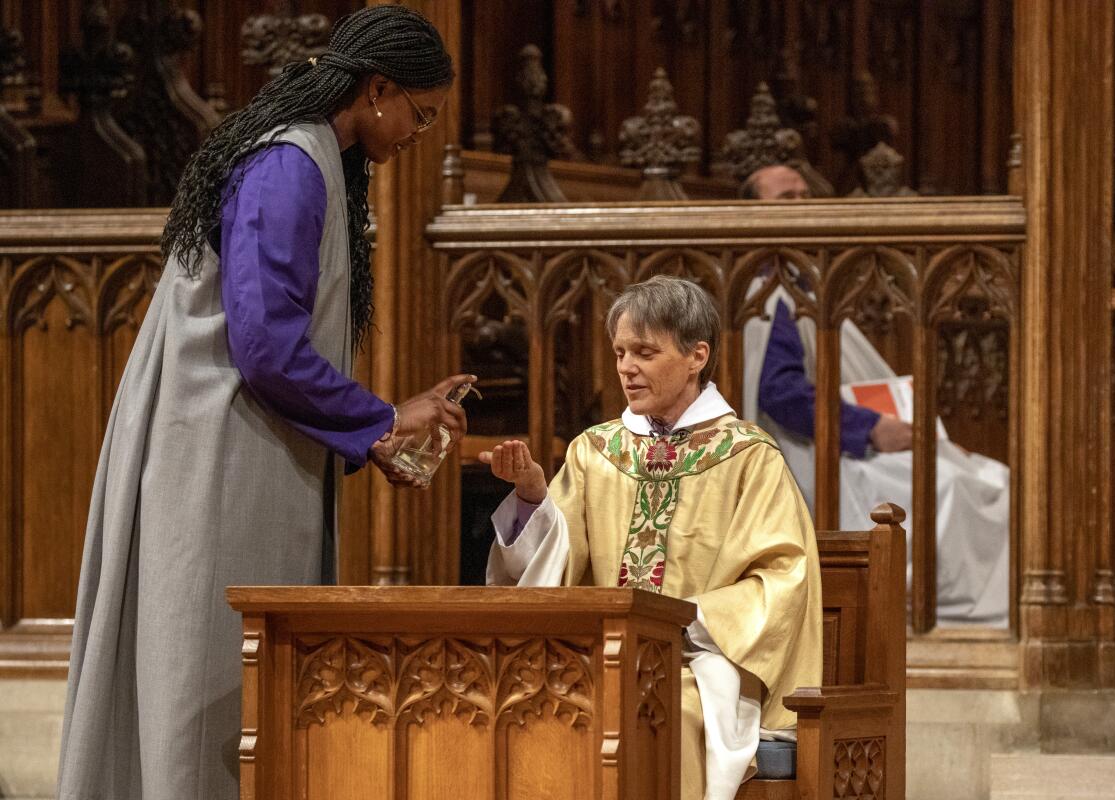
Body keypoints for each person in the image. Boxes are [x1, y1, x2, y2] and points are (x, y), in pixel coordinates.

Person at [58, 7, 468, 800]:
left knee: (239, 687)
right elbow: (266, 345)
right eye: (420, 114)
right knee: (204, 680)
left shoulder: (318, 159)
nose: (420, 133)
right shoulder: (288, 166)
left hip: (244, 449)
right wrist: (380, 419)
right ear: (377, 89)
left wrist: (375, 436)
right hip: (215, 459)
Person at [481, 276, 822, 800]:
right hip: (599, 656)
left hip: (702, 666)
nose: (626, 368)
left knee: (661, 710)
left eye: (644, 351)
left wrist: (675, 625)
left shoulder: (749, 457)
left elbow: (782, 579)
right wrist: (531, 498)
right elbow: (554, 568)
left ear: (696, 356)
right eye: (619, 352)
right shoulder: (595, 451)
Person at [740, 164, 1010, 626]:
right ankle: (945, 613)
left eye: (807, 196)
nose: (802, 208)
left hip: (844, 436)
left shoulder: (808, 284)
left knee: (992, 477)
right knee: (954, 487)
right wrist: (870, 429)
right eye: (787, 199)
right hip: (811, 452)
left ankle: (987, 614)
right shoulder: (770, 296)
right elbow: (780, 394)